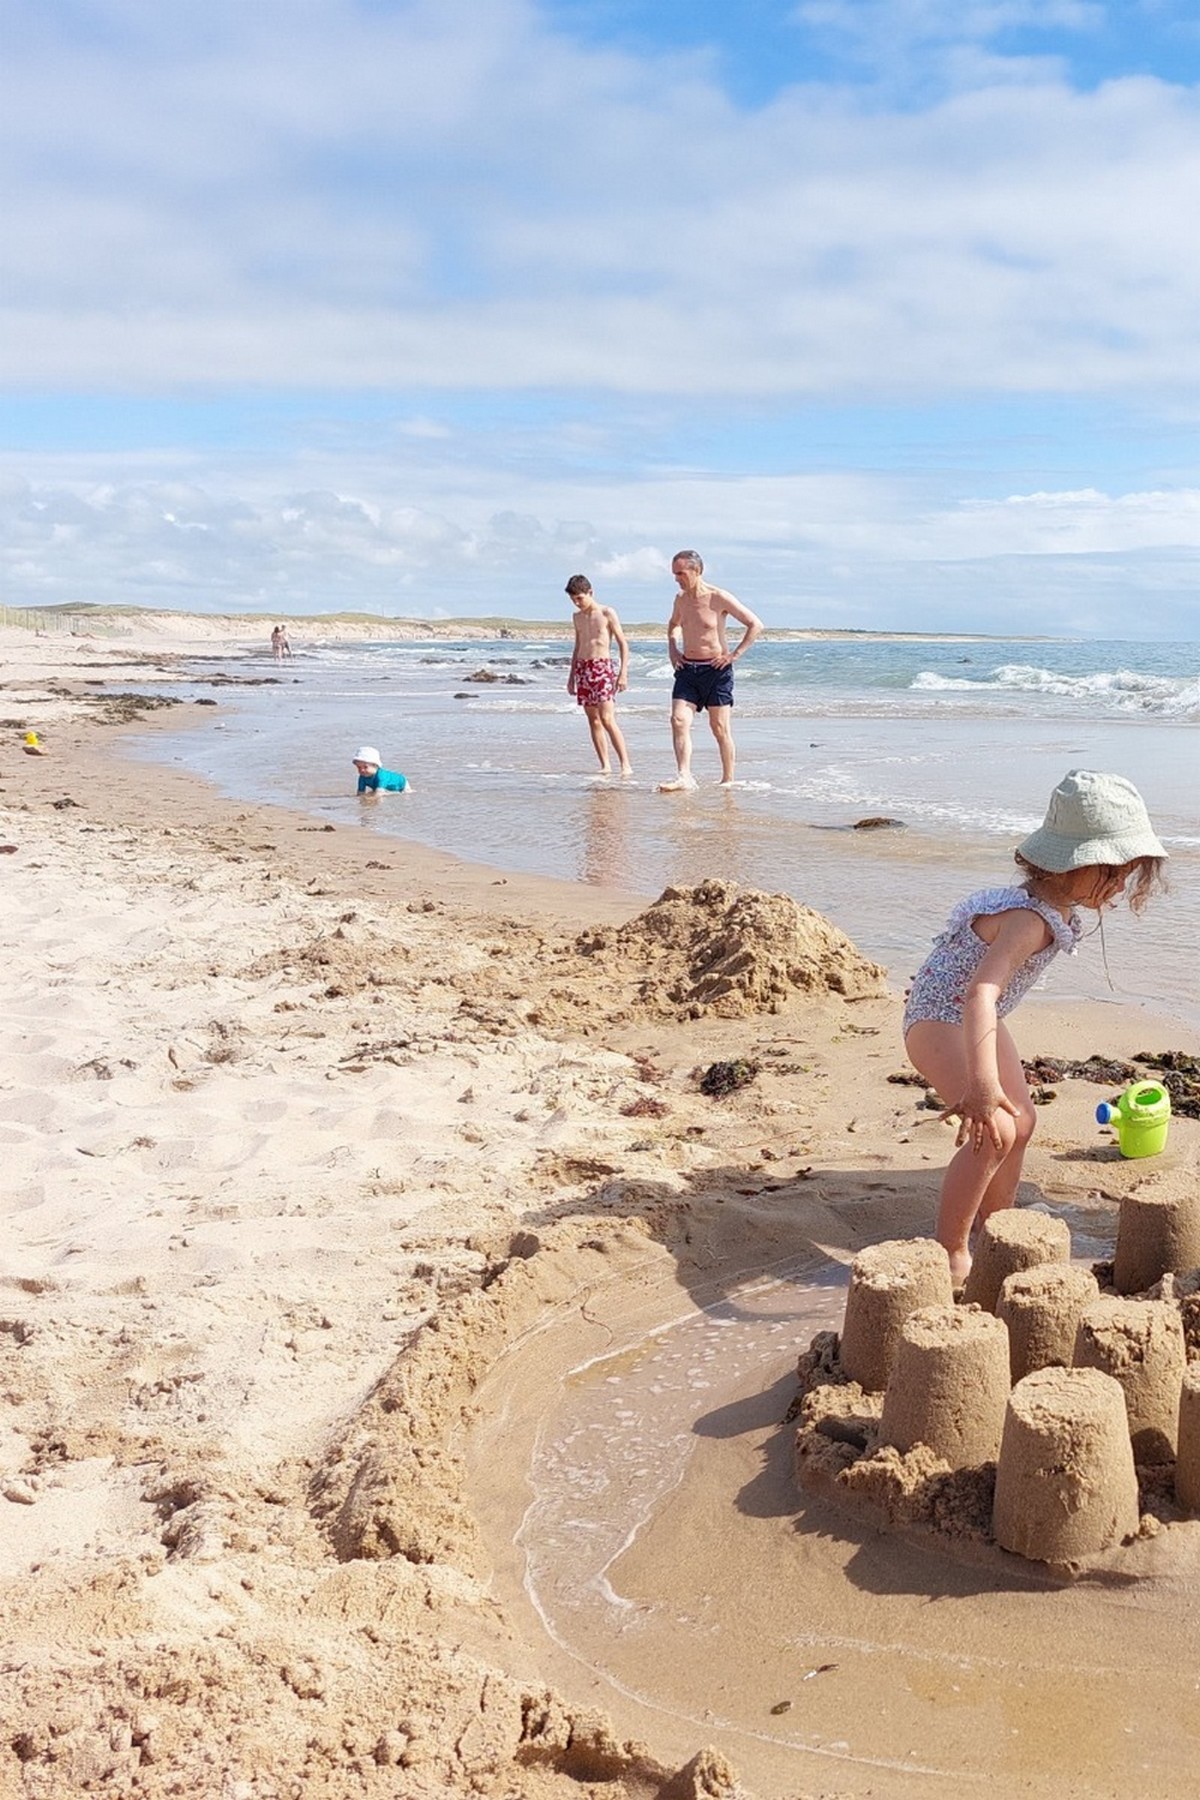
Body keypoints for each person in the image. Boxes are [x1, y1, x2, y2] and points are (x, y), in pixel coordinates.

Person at [903, 769, 1166, 1284]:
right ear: (1072, 865)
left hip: (977, 1016)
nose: (1118, 886)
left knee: (1022, 1121)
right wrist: (981, 1086)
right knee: (994, 1126)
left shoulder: (1051, 907)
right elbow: (980, 992)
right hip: (940, 1018)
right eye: (1111, 873)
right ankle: (951, 1250)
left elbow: (984, 1001)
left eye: (1125, 875)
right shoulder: (1030, 921)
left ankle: (995, 1224)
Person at [660, 550, 761, 790]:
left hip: (716, 671)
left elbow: (755, 624)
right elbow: (673, 625)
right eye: (674, 574)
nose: (677, 579)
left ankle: (728, 781)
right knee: (678, 720)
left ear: (698, 571)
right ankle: (684, 776)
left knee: (719, 728)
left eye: (681, 573)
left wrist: (733, 656)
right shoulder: (680, 599)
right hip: (687, 670)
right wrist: (673, 650)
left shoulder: (718, 597)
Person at [565, 575, 633, 776]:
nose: (577, 603)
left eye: (580, 598)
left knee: (607, 718)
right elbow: (577, 647)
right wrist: (571, 678)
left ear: (590, 593)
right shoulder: (577, 617)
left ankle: (625, 764)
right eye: (574, 600)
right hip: (583, 668)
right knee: (592, 720)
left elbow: (623, 643)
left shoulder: (606, 612)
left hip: (602, 668)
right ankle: (605, 765)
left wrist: (623, 673)